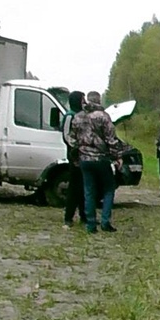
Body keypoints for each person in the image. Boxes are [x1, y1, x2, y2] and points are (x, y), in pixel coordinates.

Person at [66, 90, 121, 233]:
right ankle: (105, 221)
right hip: (101, 159)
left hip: (84, 160)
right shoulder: (104, 117)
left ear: (87, 101)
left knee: (89, 190)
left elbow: (72, 139)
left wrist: (78, 153)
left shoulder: (78, 117)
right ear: (99, 100)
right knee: (109, 189)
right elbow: (111, 139)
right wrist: (117, 156)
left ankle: (90, 224)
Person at [60, 90, 88, 229]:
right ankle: (68, 217)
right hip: (74, 156)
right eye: (82, 99)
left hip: (83, 155)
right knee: (74, 188)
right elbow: (66, 136)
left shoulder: (82, 115)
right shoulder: (70, 116)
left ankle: (84, 216)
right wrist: (77, 147)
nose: (84, 102)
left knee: (84, 187)